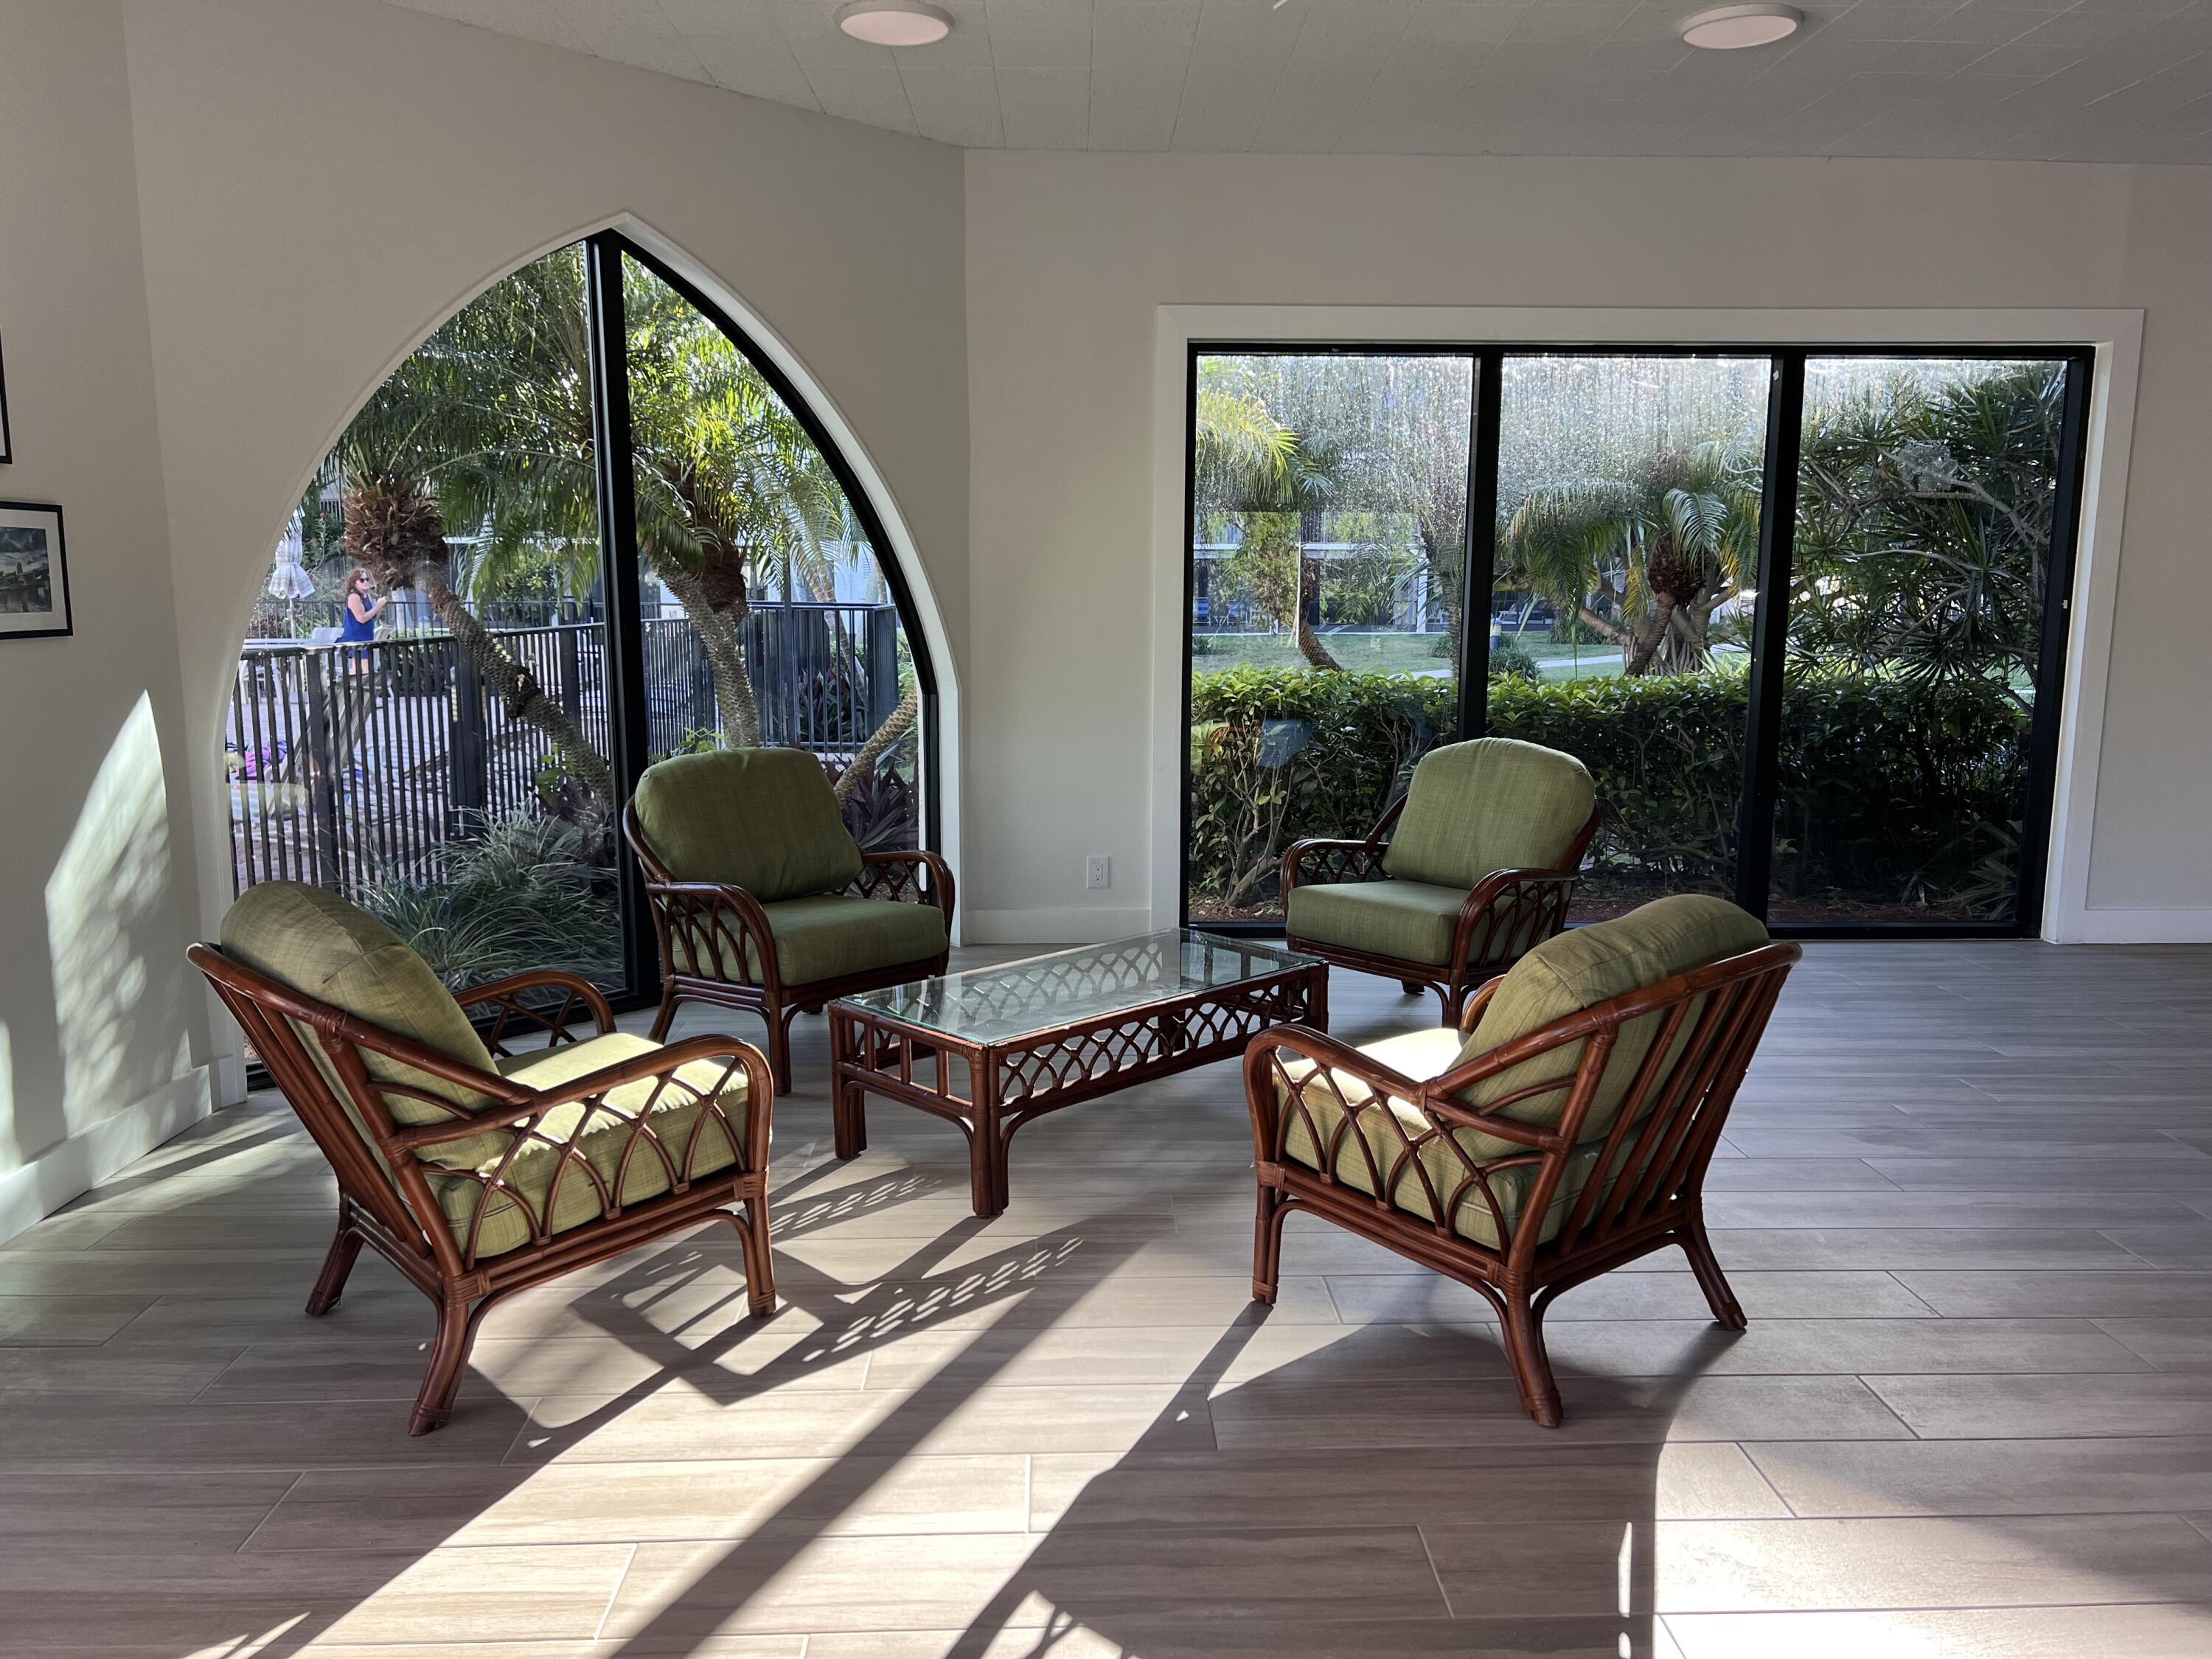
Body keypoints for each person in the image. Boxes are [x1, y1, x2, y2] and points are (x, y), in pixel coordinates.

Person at [338, 568, 386, 667]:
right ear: (355, 583)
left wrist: (379, 606)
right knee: (364, 669)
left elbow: (374, 617)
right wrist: (378, 606)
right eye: (362, 580)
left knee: (360, 669)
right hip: (356, 638)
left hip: (366, 637)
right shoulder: (354, 597)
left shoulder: (367, 596)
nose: (366, 582)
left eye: (367, 579)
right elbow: (362, 618)